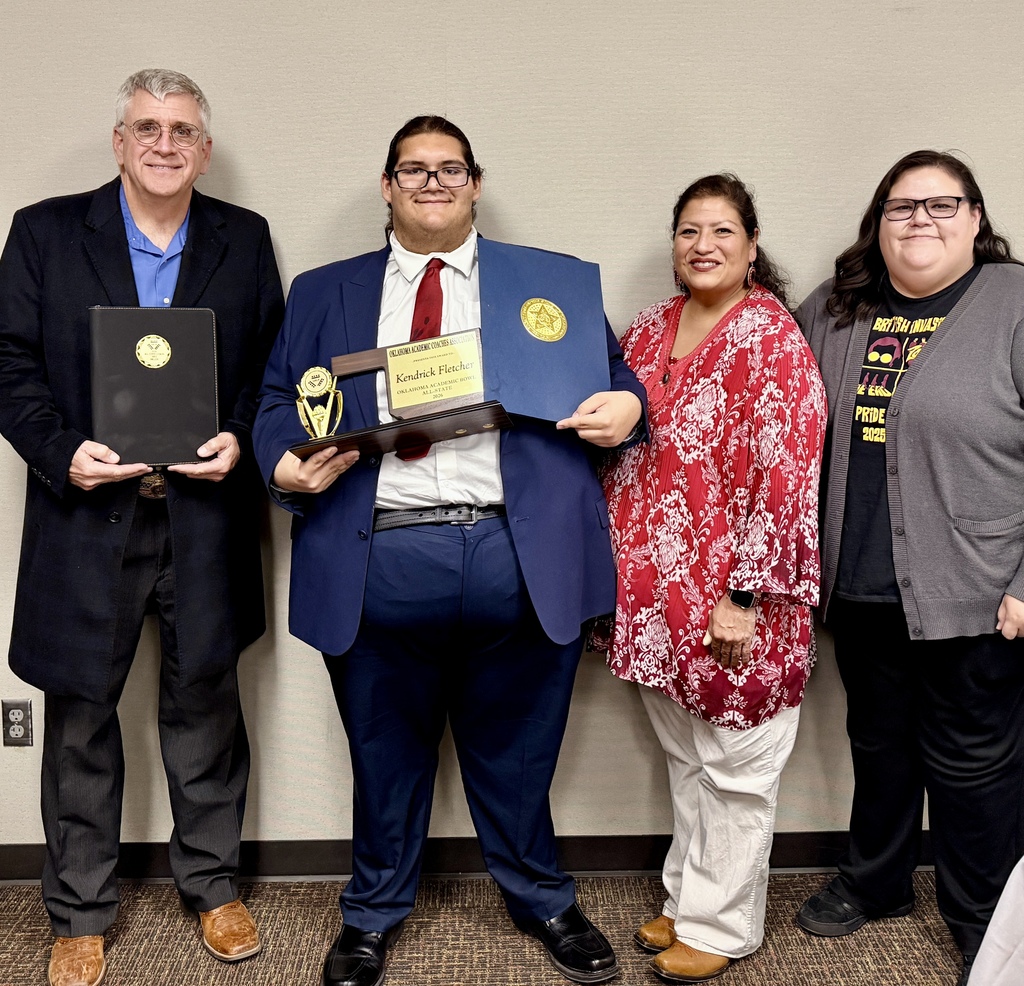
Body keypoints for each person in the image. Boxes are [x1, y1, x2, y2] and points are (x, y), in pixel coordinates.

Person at [253, 115, 646, 986]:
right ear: (387, 188)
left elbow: (611, 377)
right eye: (413, 170)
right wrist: (280, 458)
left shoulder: (545, 283)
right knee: (383, 754)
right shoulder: (325, 291)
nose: (433, 182)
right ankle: (370, 913)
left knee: (520, 750)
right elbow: (278, 398)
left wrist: (630, 407)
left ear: (475, 184)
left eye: (450, 169)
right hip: (379, 556)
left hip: (517, 553)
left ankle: (542, 896)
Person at [0, 69, 284, 986]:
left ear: (205, 148)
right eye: (147, 128)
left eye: (183, 130)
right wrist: (60, 452)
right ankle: (79, 911)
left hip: (202, 516)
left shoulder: (244, 240)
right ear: (118, 141)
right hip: (86, 515)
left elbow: (269, 370)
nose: (165, 144)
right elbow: (9, 367)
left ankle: (212, 886)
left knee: (204, 706)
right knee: (80, 719)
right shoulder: (44, 232)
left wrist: (240, 438)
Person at [794, 150, 1024, 986]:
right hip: (858, 585)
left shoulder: (1015, 302)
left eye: (940, 204)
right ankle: (877, 882)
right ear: (877, 223)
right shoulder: (835, 308)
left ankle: (984, 917)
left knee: (975, 764)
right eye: (901, 207)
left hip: (979, 589)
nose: (920, 220)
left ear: (974, 219)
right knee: (879, 745)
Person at [597, 174, 826, 983]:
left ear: (752, 247)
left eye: (722, 231)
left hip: (735, 600)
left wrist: (746, 596)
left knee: (737, 770)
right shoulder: (651, 327)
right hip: (658, 601)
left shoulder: (771, 338)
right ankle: (688, 898)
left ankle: (724, 925)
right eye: (689, 230)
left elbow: (785, 475)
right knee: (689, 762)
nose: (703, 245)